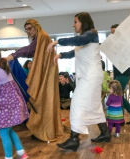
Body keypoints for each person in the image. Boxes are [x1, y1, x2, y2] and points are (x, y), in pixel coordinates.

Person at [47, 12, 111, 151]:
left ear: (83, 22)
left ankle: (74, 139)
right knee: (94, 106)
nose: (73, 24)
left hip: (91, 76)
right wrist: (61, 55)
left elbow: (79, 42)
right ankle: (105, 133)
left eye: (75, 21)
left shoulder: (91, 34)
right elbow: (75, 52)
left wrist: (57, 41)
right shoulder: (84, 39)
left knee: (76, 102)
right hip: (89, 76)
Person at [5, 19, 63, 142]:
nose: (28, 32)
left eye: (30, 28)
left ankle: (45, 129)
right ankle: (42, 129)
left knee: (42, 100)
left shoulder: (43, 38)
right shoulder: (41, 39)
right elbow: (31, 52)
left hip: (46, 75)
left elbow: (29, 50)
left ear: (37, 27)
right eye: (26, 30)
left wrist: (13, 56)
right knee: (42, 100)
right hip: (46, 74)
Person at [110, 24, 130, 125]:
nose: (112, 34)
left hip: (123, 74)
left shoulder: (124, 44)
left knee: (117, 96)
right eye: (111, 33)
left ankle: (121, 119)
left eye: (113, 32)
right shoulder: (115, 44)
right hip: (118, 73)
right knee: (119, 96)